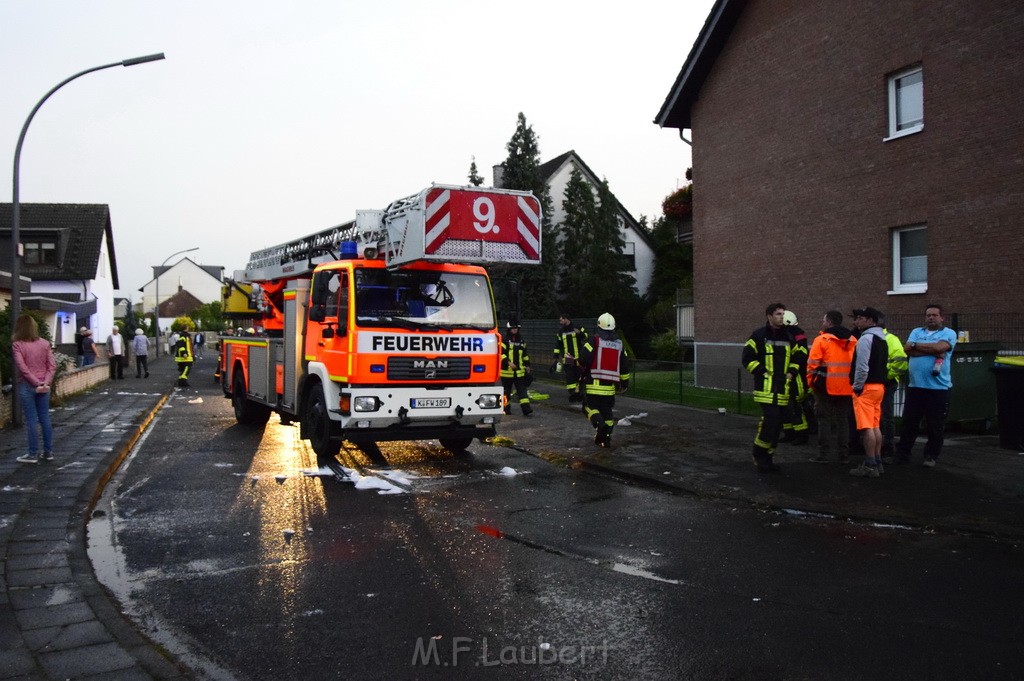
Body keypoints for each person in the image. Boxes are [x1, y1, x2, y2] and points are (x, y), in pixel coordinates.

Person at [893, 304, 958, 467]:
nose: (931, 318)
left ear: (942, 317)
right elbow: (907, 349)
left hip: (938, 389)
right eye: (928, 315)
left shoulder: (949, 333)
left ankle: (931, 456)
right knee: (909, 423)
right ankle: (902, 454)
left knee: (934, 425)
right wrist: (929, 349)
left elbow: (941, 347)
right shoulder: (917, 331)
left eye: (935, 315)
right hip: (916, 387)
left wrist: (917, 346)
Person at [742, 303, 804, 472]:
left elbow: (799, 355)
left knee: (778, 425)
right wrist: (761, 372)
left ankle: (768, 456)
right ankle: (759, 453)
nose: (781, 317)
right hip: (766, 389)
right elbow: (747, 358)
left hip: (783, 389)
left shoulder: (789, 336)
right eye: (778, 314)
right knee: (771, 422)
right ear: (769, 315)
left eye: (783, 314)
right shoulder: (758, 336)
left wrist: (792, 372)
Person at [805, 310, 856, 464]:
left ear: (829, 322)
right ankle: (843, 455)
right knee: (843, 421)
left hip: (824, 387)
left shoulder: (822, 340)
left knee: (824, 420)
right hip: (847, 386)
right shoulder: (853, 340)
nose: (823, 322)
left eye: (824, 320)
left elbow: (812, 365)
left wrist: (811, 384)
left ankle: (824, 454)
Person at [578, 313, 632, 448]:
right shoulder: (619, 345)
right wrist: (624, 383)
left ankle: (599, 425)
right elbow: (625, 366)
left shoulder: (594, 341)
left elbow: (583, 359)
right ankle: (605, 439)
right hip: (609, 388)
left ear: (599, 326)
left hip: (593, 385)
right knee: (607, 413)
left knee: (588, 408)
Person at [848, 308, 889, 477]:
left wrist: (857, 386)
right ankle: (877, 462)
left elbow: (862, 367)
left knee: (866, 428)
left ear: (870, 320)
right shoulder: (883, 339)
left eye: (860, 318)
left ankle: (870, 464)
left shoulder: (866, 339)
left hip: (866, 387)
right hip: (879, 387)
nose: (856, 322)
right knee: (875, 425)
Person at [12, 314, 56, 464]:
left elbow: (22, 368)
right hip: (44, 386)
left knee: (31, 420)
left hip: (27, 385)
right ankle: (48, 452)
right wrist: (45, 383)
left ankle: (32, 454)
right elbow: (52, 366)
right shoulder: (44, 344)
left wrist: (35, 383)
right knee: (45, 418)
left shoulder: (17, 345)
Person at [780, 310, 813, 444]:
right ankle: (789, 433)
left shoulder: (797, 335)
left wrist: (791, 369)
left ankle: (801, 434)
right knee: (785, 406)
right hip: (784, 374)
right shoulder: (784, 334)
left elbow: (801, 355)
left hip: (795, 376)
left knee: (795, 405)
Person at [880, 320, 909, 462]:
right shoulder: (881, 338)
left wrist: (887, 377)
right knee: (881, 416)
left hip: (887, 383)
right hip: (881, 382)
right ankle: (882, 445)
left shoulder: (890, 339)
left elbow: (901, 362)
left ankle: (888, 447)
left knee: (886, 416)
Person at [500, 320, 533, 417]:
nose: (515, 330)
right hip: (506, 372)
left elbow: (525, 355)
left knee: (522, 391)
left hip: (519, 372)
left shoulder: (521, 340)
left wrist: (528, 366)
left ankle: (526, 409)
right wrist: (509, 363)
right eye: (513, 328)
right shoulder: (504, 340)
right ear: (509, 329)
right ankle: (506, 409)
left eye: (516, 328)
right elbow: (501, 354)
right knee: (506, 392)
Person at [551, 315, 587, 403]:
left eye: (561, 320)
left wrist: (579, 333)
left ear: (566, 319)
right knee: (570, 378)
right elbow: (558, 345)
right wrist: (555, 358)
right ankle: (572, 394)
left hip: (578, 358)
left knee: (580, 376)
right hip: (567, 359)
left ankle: (580, 394)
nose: (560, 322)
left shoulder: (578, 327)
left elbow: (586, 336)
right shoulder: (560, 331)